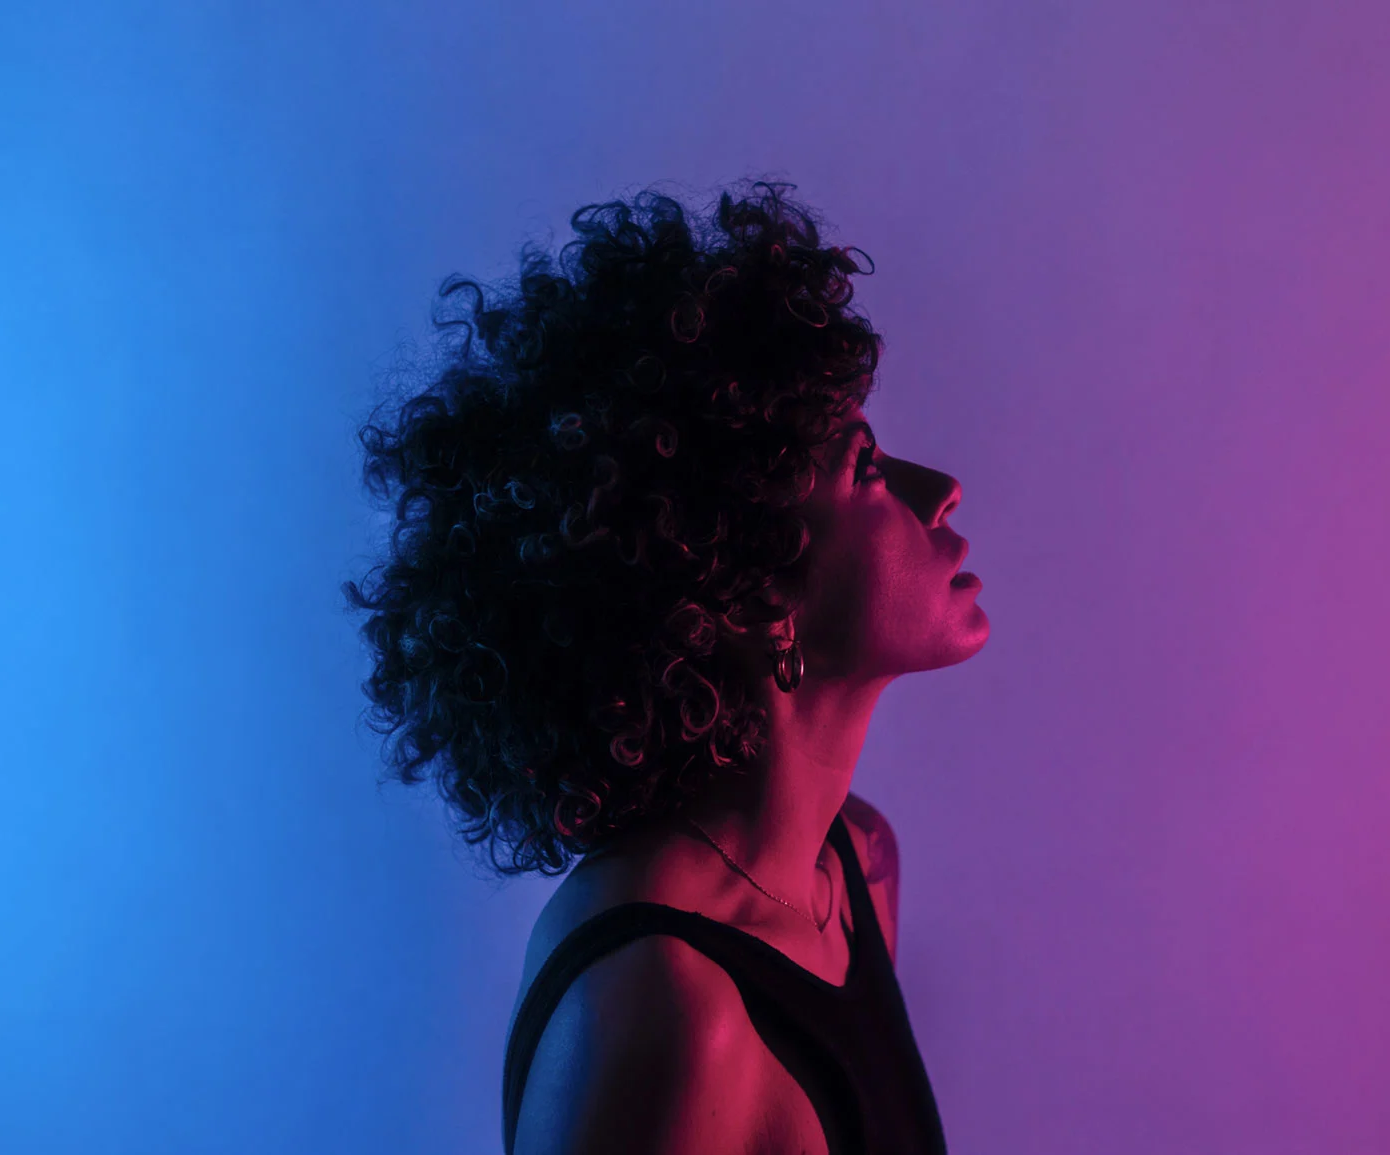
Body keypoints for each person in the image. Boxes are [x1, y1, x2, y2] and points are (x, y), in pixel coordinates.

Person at [344, 179, 989, 1154]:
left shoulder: (857, 867)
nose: (939, 491)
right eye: (863, 467)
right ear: (751, 591)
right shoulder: (664, 1006)